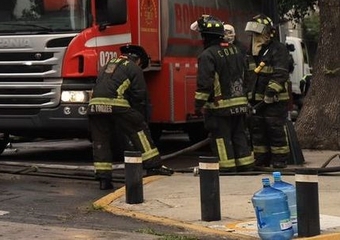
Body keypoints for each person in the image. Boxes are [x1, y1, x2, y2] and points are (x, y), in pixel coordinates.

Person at [88, 44, 172, 190]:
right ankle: (153, 165)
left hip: (94, 106)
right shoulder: (134, 67)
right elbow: (139, 95)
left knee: (101, 140)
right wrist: (139, 116)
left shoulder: (108, 64)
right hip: (117, 104)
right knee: (138, 129)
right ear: (138, 59)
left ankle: (104, 179)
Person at [192, 15, 255, 172]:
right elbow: (247, 75)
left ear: (206, 36)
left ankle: (226, 168)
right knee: (239, 134)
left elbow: (205, 83)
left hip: (219, 107)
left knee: (221, 138)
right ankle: (246, 165)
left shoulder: (207, 55)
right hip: (240, 103)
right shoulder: (237, 50)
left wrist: (198, 105)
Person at [244, 13, 292, 168]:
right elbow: (248, 75)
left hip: (274, 101)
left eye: (259, 33)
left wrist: (271, 92)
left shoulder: (278, 49)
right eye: (254, 34)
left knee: (275, 129)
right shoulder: (251, 52)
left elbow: (281, 73)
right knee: (257, 131)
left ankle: (279, 160)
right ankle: (261, 159)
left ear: (269, 33)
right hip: (256, 100)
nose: (255, 37)